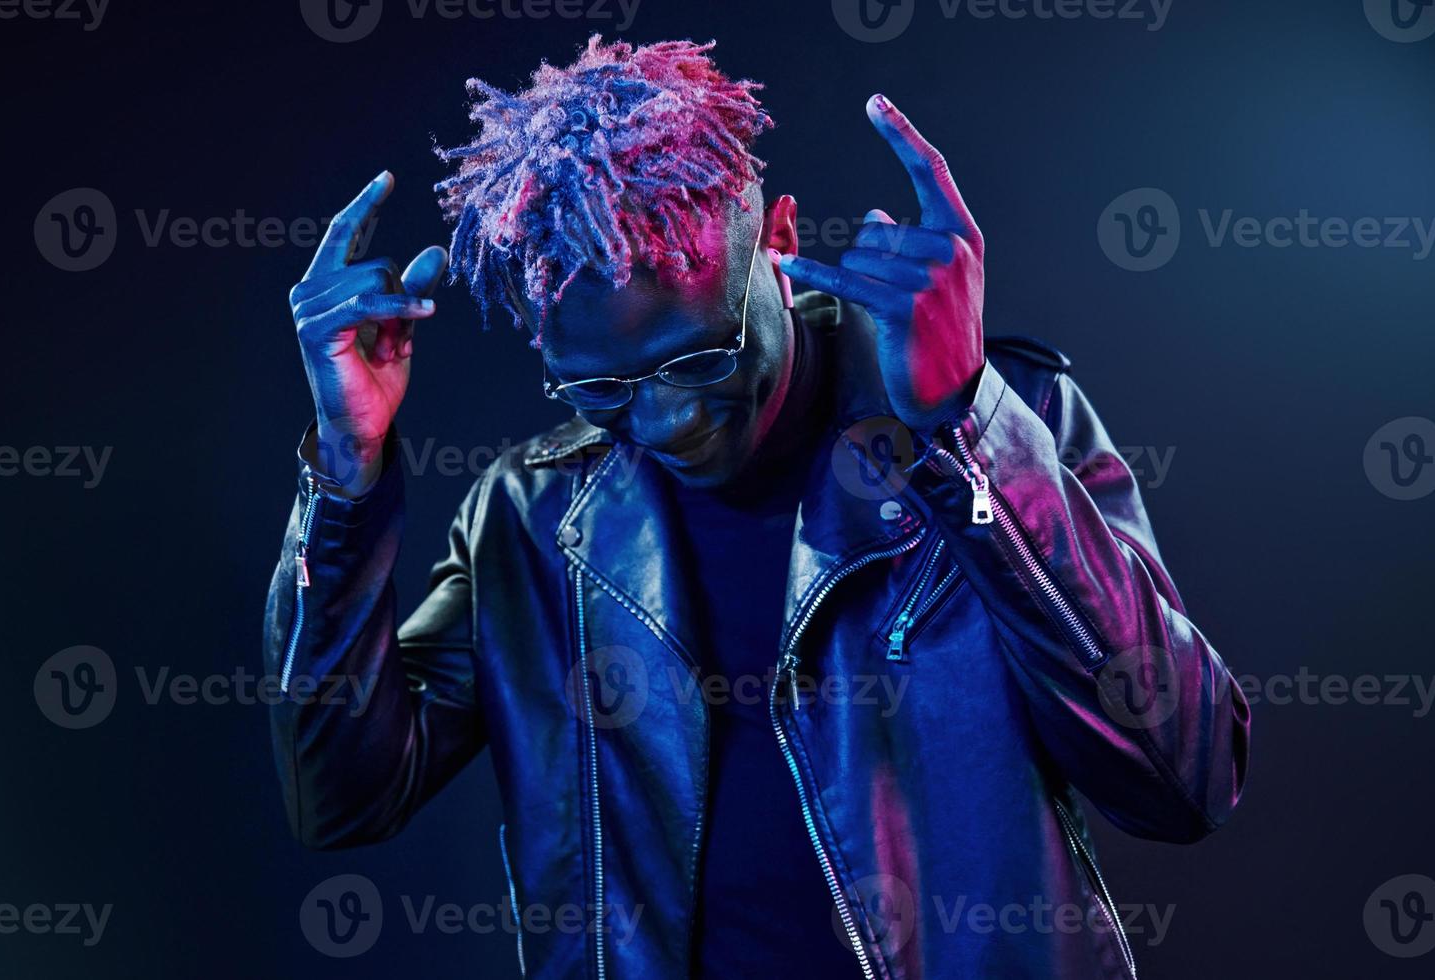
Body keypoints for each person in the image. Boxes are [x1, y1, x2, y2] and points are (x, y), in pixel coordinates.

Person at [266, 35, 1250, 978]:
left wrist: (963, 432)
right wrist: (346, 475)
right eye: (597, 389)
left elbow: (1181, 779)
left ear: (777, 238)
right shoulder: (526, 523)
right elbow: (343, 796)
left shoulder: (1000, 422)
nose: (660, 421)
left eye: (699, 358)